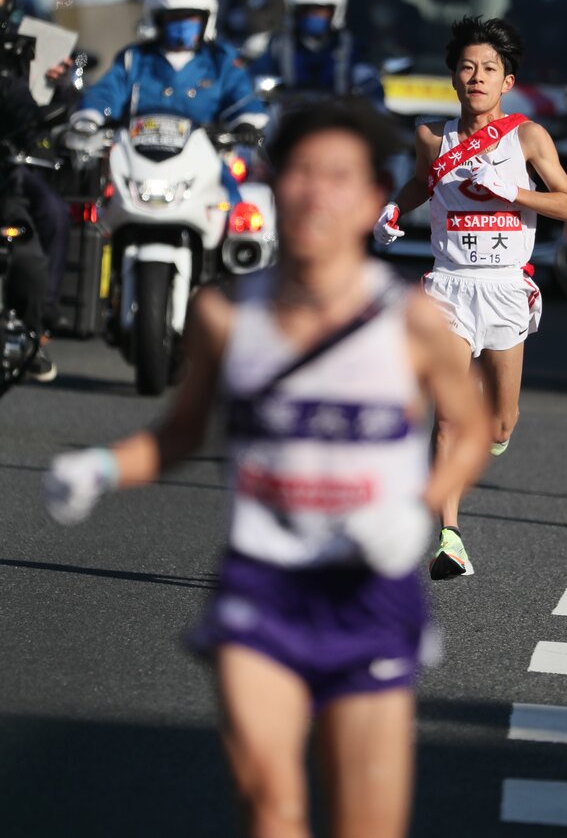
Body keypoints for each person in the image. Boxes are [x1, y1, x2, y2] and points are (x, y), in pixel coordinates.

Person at [44, 99, 491, 838]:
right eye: (300, 174)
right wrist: (99, 466)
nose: (317, 192)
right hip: (263, 585)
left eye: (339, 176)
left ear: (377, 192)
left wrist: (420, 506)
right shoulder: (223, 314)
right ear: (273, 184)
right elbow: (181, 434)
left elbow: (470, 430)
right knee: (269, 808)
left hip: (367, 591)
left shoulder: (412, 320)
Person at [374, 16, 567, 578]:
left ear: (507, 81)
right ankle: (449, 538)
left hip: (506, 287)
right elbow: (422, 181)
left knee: (501, 423)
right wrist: (396, 209)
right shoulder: (432, 137)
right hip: (449, 285)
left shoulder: (528, 137)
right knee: (445, 418)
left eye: (489, 68)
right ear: (453, 77)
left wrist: (512, 191)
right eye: (467, 67)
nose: (477, 77)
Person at [70, 0, 262, 142]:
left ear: (206, 21)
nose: (182, 26)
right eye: (174, 18)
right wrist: (90, 116)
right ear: (157, 21)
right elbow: (107, 92)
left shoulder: (220, 60)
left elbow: (241, 97)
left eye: (191, 18)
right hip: (139, 161)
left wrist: (246, 123)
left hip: (205, 160)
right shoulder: (134, 59)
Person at [0, 0, 67, 379]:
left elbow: (69, 90)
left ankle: (33, 331)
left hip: (8, 166)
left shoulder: (27, 44)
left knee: (49, 217)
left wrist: (60, 82)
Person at [247, 0, 384, 103]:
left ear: (334, 11)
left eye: (319, 10)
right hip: (290, 120)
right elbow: (257, 80)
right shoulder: (279, 46)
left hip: (338, 119)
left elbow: (368, 83)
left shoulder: (350, 48)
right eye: (306, 10)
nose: (312, 16)